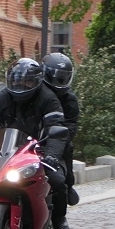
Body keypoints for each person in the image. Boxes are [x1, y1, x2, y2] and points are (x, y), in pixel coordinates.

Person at [0, 57, 71, 229]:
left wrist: (52, 155)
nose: (20, 86)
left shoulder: (48, 99)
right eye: (16, 81)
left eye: (27, 82)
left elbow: (56, 129)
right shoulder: (2, 97)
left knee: (57, 180)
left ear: (37, 81)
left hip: (39, 150)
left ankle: (59, 220)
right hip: (8, 150)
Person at [41, 52, 80, 206]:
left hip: (56, 139)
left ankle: (68, 185)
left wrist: (60, 138)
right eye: (56, 76)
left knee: (67, 148)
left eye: (63, 77)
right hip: (30, 137)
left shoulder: (70, 99)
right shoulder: (36, 94)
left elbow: (71, 124)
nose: (59, 80)